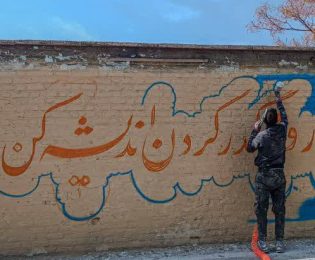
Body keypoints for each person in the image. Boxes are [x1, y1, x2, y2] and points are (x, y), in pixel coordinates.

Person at [247, 86, 288, 253]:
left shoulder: (261, 136)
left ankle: (262, 241)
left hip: (264, 176)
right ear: (276, 120)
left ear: (265, 121)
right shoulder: (282, 130)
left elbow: (250, 148)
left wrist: (254, 130)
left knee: (261, 210)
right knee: (279, 210)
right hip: (279, 175)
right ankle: (279, 242)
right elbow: (284, 115)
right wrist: (278, 97)